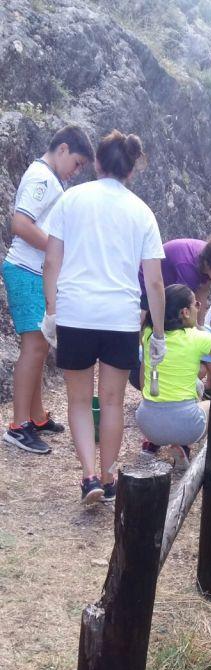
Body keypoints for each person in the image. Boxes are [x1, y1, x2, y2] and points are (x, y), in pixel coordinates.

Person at [43, 129, 166, 505]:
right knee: (111, 402)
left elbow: (51, 260)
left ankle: (89, 477)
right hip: (120, 317)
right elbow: (155, 282)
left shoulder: (71, 200)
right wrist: (158, 334)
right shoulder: (142, 212)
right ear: (130, 170)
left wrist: (51, 312)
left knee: (79, 401)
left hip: (76, 312)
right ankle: (110, 478)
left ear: (96, 162)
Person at [2, 125, 95, 455]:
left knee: (40, 345)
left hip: (34, 273)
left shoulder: (51, 179)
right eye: (78, 163)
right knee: (34, 347)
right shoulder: (41, 177)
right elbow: (20, 224)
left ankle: (36, 416)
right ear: (63, 149)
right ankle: (18, 426)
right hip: (25, 271)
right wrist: (58, 251)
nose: (77, 171)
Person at [136, 283, 211, 465]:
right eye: (195, 304)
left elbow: (143, 384)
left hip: (146, 421)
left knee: (192, 386)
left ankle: (155, 442)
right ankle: (187, 446)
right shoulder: (198, 337)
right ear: (185, 312)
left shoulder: (149, 334)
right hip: (185, 423)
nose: (199, 306)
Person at [139, 237, 211, 327]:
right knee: (149, 309)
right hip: (149, 276)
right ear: (208, 265)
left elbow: (202, 294)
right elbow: (182, 306)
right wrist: (194, 328)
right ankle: (138, 338)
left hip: (173, 274)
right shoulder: (188, 270)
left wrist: (200, 327)